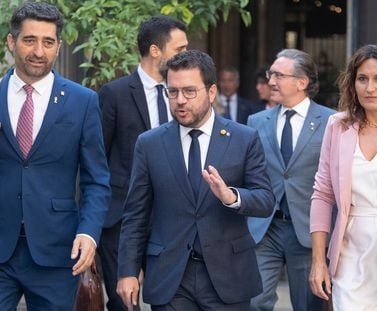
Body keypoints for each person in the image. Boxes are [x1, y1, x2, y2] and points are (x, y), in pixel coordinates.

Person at [116, 49, 275, 310]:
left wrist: (232, 197)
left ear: (211, 92)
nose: (180, 100)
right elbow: (136, 213)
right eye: (173, 91)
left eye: (189, 91)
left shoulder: (244, 138)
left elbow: (265, 200)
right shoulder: (150, 144)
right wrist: (127, 271)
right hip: (170, 276)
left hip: (228, 276)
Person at [0, 2, 111, 310]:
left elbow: (97, 181)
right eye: (29, 40)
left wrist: (89, 234)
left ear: (58, 46)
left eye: (48, 42)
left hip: (59, 252)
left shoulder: (83, 101)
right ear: (11, 42)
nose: (39, 51)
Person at [309, 44, 377, 309]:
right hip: (351, 251)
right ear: (352, 83)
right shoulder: (338, 126)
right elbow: (322, 194)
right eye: (362, 79)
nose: (370, 88)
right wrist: (319, 261)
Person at [98, 15, 188, 311]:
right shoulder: (114, 94)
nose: (186, 55)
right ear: (155, 51)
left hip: (172, 222)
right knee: (125, 305)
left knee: (172, 302)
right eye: (180, 49)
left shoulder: (186, 94)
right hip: (121, 221)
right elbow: (97, 161)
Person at [247, 49, 335, 311]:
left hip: (308, 232)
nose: (271, 81)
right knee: (254, 302)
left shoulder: (332, 121)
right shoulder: (256, 121)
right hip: (265, 228)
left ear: (302, 82)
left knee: (308, 305)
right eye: (270, 74)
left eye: (278, 75)